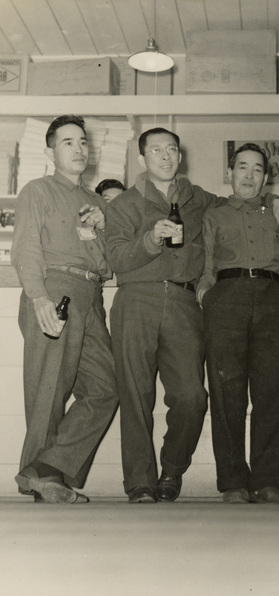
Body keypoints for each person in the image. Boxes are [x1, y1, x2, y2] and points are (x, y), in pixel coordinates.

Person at [105, 128, 279, 504]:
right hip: (135, 298)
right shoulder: (123, 205)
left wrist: (275, 198)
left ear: (180, 155)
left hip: (183, 301)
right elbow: (115, 259)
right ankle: (141, 483)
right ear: (142, 159)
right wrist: (150, 239)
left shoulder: (200, 199)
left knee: (192, 395)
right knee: (136, 395)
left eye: (171, 149)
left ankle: (172, 470)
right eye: (155, 150)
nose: (165, 156)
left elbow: (241, 197)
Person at [11, 115, 118, 504]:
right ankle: (41, 476)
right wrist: (38, 297)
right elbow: (25, 249)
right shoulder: (37, 190)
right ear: (50, 151)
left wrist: (105, 226)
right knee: (49, 390)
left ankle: (45, 470)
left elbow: (109, 265)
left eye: (83, 142)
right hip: (54, 290)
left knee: (107, 388)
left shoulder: (94, 202)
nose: (78, 149)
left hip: (91, 296)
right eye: (68, 142)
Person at [196, 143, 279, 504]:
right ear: (230, 174)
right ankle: (232, 483)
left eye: (257, 169)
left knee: (275, 393)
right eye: (241, 168)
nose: (248, 175)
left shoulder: (278, 215)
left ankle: (271, 482)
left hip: (274, 303)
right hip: (225, 301)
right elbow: (204, 266)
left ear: (266, 176)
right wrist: (207, 297)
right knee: (226, 394)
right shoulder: (213, 214)